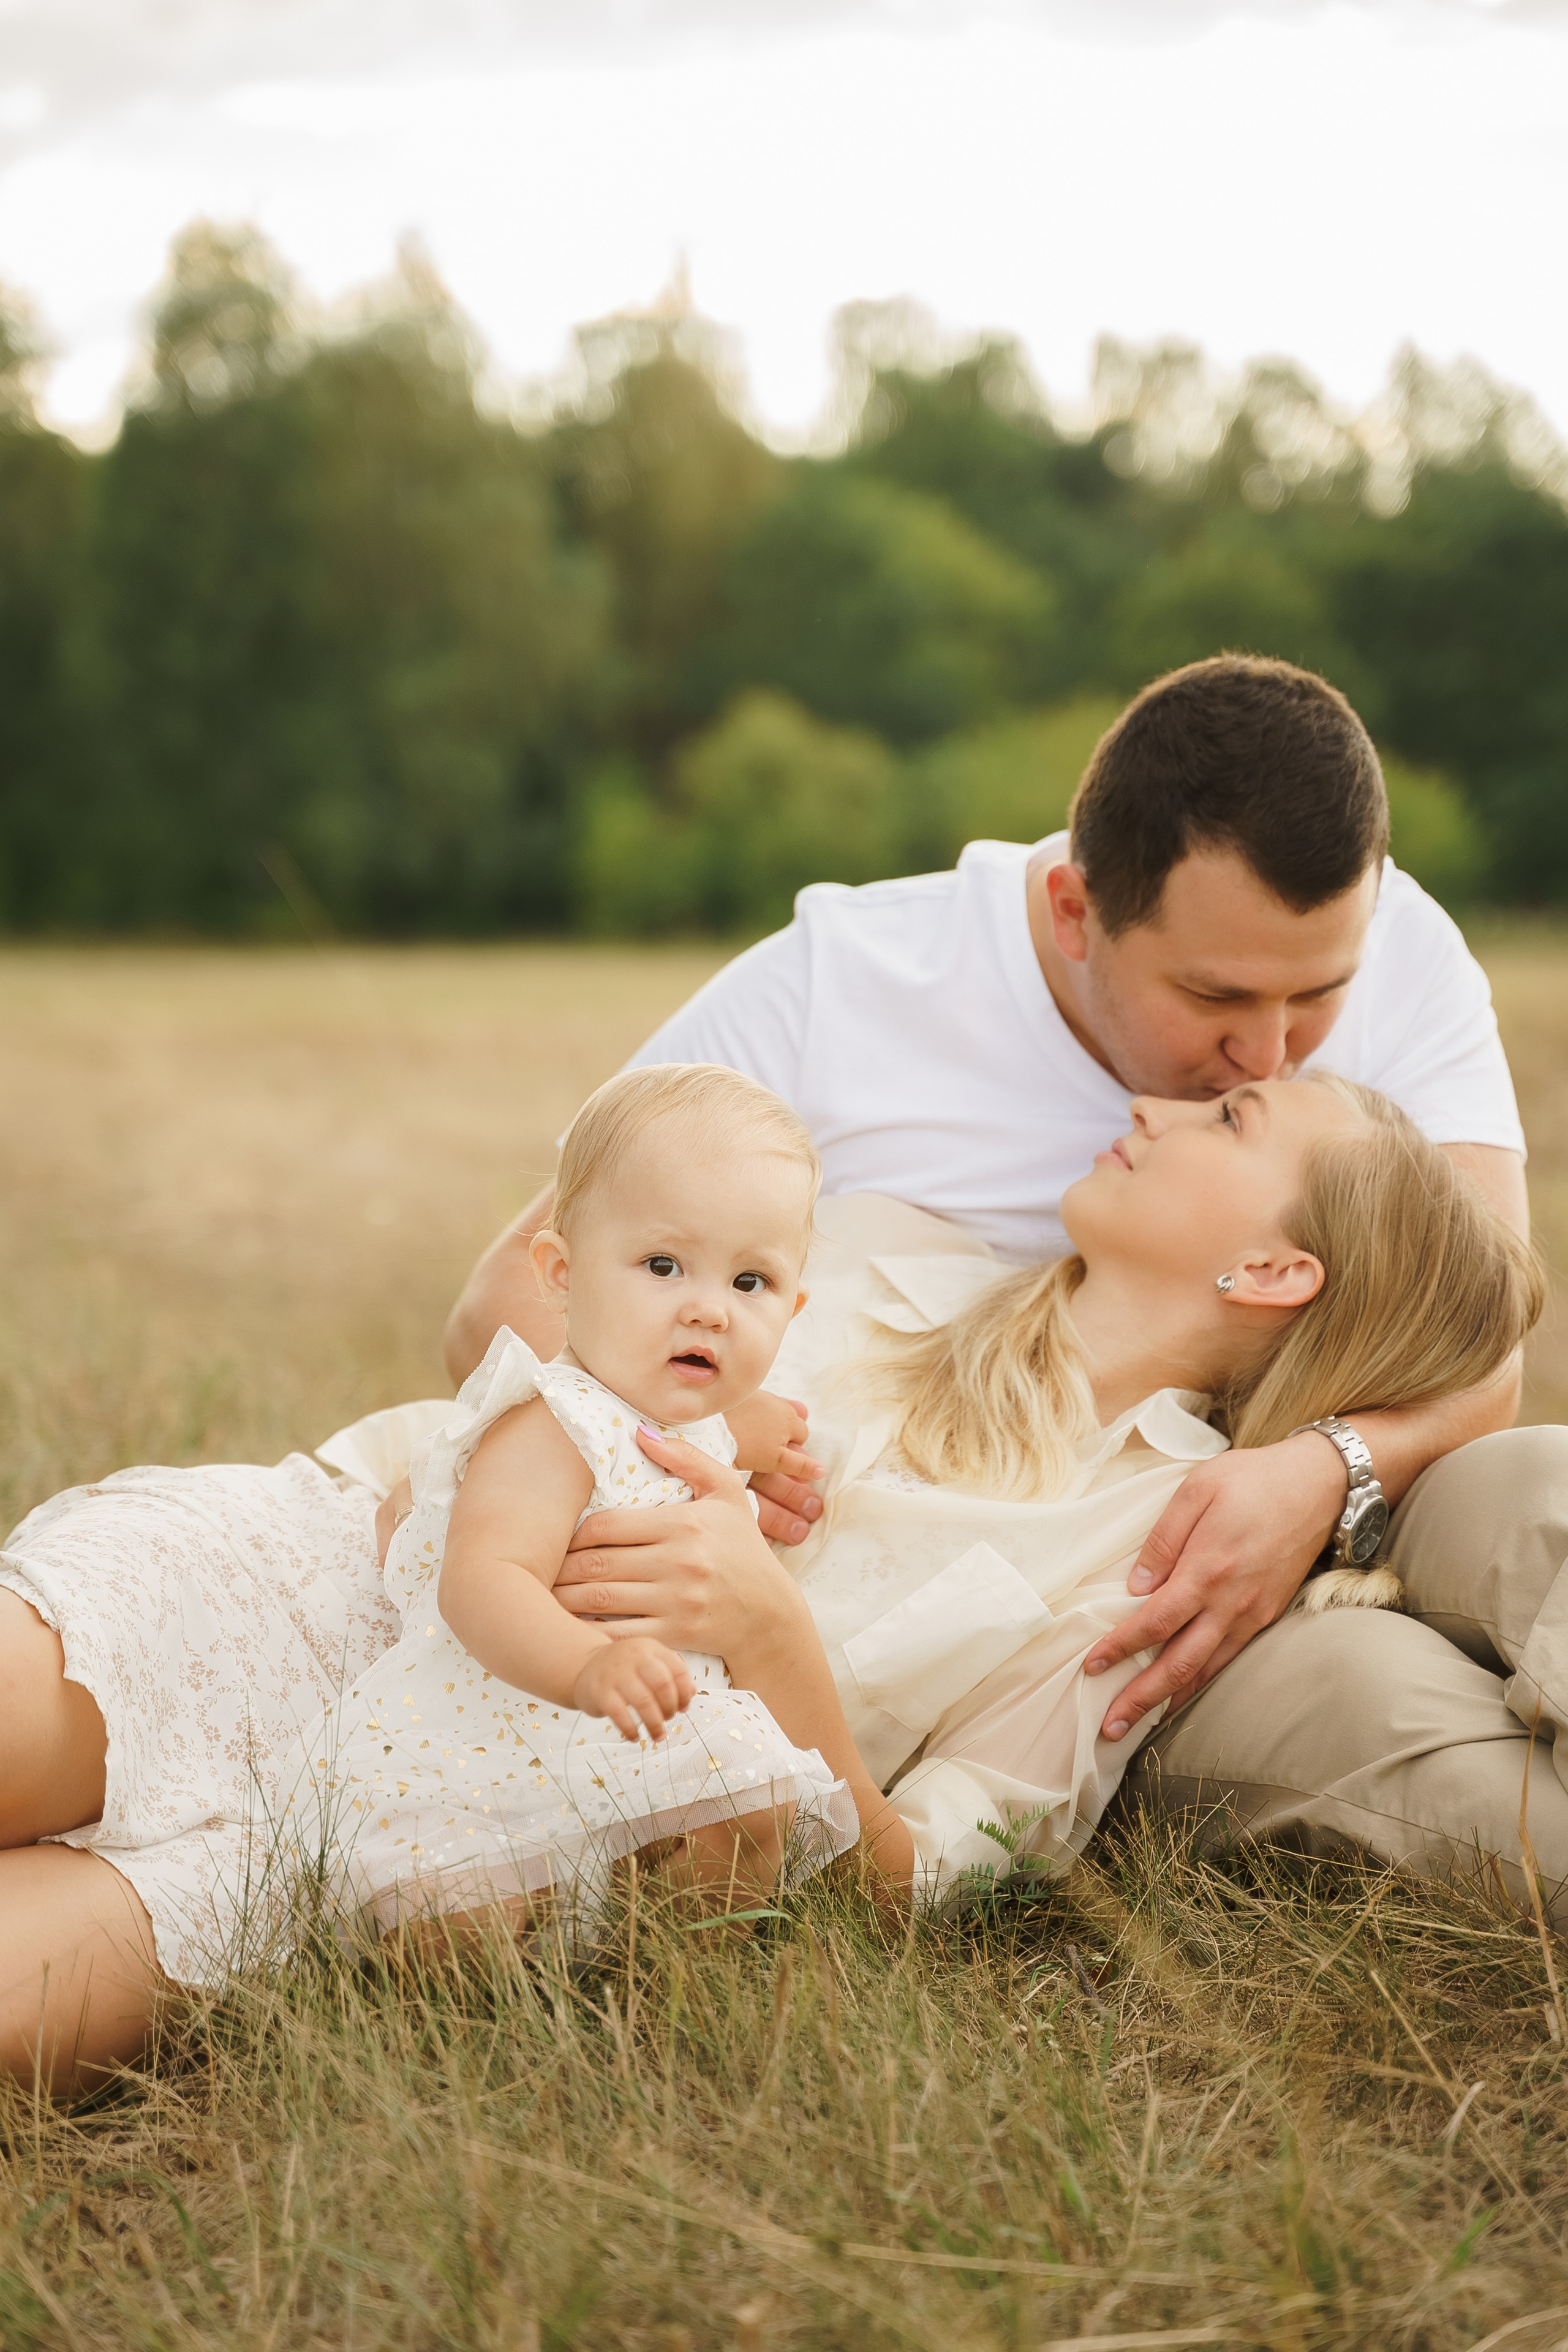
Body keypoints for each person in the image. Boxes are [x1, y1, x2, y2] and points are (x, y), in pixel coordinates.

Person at [3, 1057, 1537, 2096]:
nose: (1159, 1101)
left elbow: (914, 1887)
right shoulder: (861, 1247)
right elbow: (541, 1321)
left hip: (440, 1825)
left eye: (1230, 1121)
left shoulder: (1147, 1566)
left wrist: (770, 1634)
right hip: (319, 1580)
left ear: (1271, 1273)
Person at [445, 653, 1555, 1894]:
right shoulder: (837, 988)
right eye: (1211, 996)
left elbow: (1477, 1350)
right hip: (1135, 1601)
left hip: (1323, 1470)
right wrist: (694, 1435)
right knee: (1398, 1729)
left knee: (1541, 1490)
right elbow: (521, 1286)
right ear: (1074, 912)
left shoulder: (1392, 942)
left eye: (1321, 997)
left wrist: (1313, 1471)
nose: (1271, 1054)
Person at [277, 1062, 856, 1939]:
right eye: (664, 1266)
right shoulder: (556, 1422)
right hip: (510, 1729)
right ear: (560, 1274)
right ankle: (484, 1976)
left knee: (748, 1813)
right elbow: (483, 1580)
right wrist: (589, 1667)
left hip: (647, 1733)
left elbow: (706, 1443)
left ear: (794, 1306)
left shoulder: (691, 1422)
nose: (710, 1311)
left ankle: (668, 1971)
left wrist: (753, 1434)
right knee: (464, 1919)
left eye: (751, 1285)